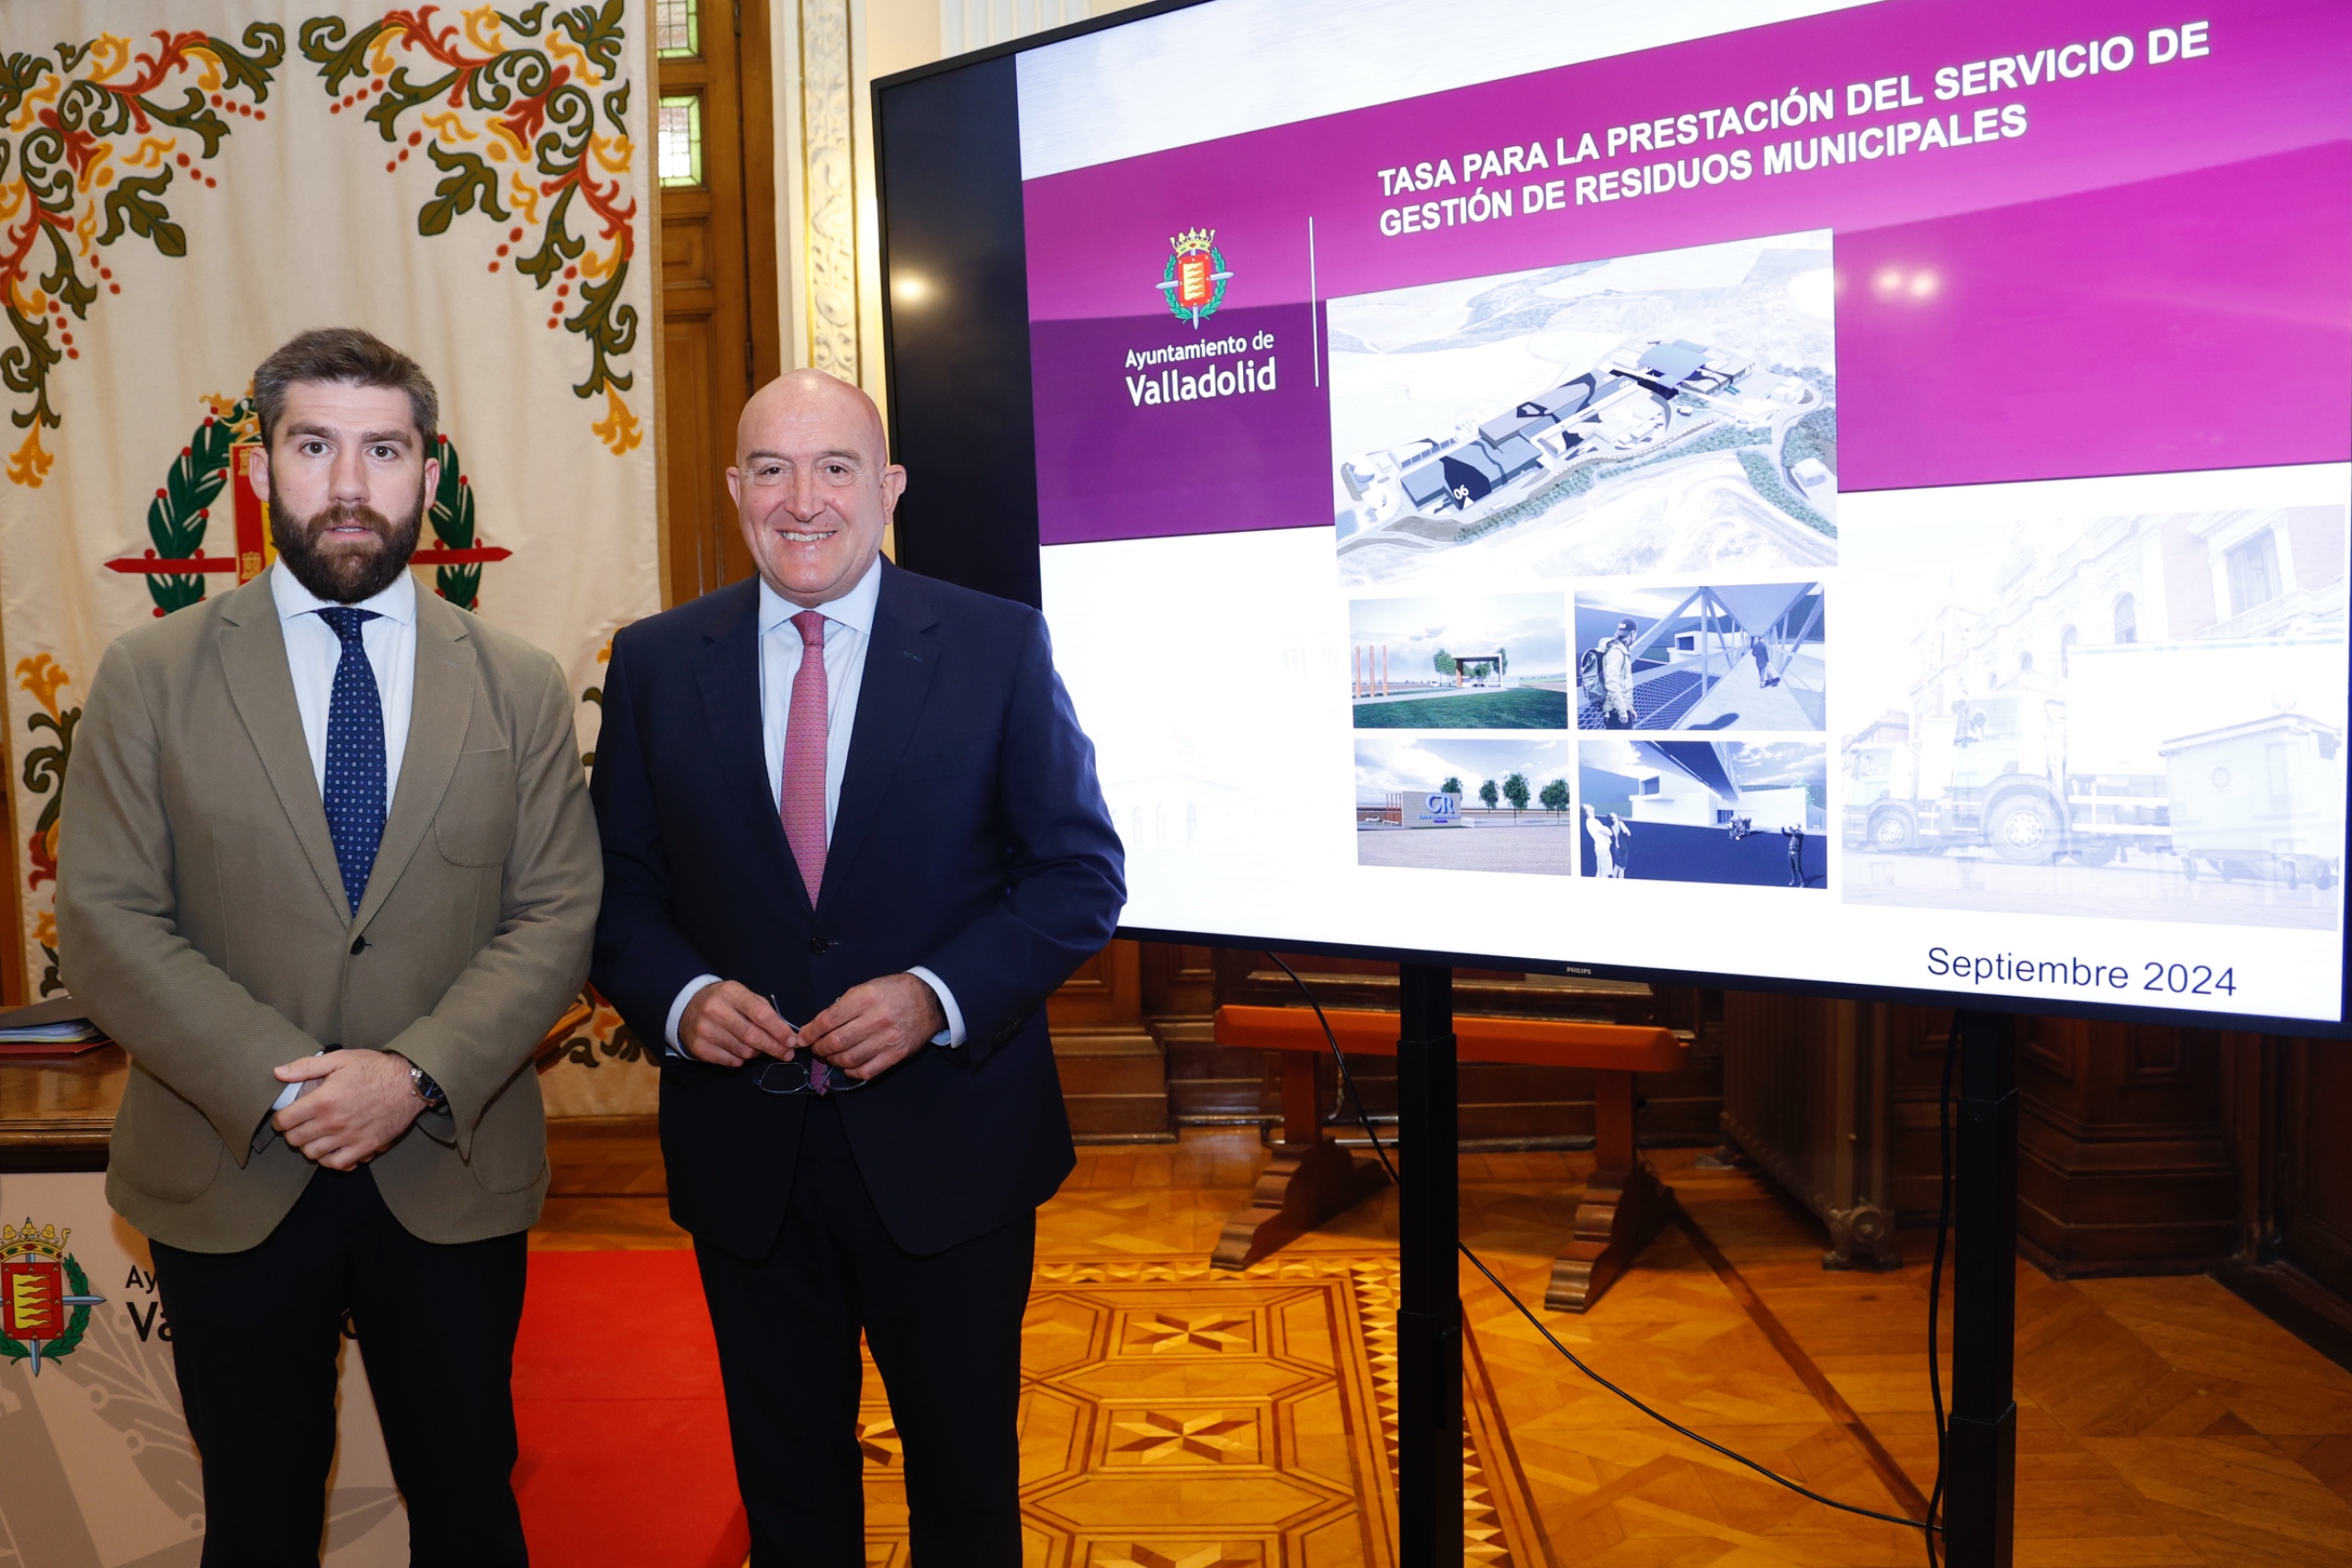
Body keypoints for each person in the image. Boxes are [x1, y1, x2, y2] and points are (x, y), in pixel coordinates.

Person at [55, 327, 600, 1566]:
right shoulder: (149, 675)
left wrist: (408, 1075)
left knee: (470, 1509)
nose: (349, 484)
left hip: (449, 1168)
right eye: (314, 447)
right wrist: (294, 1087)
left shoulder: (517, 683)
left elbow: (558, 914)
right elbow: (106, 920)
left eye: (383, 451)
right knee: (256, 1518)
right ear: (259, 471)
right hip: (229, 1167)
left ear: (428, 474)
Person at [589, 369, 1125, 1568]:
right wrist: (681, 997)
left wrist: (937, 996)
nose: (802, 500)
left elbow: (1078, 874)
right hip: (747, 1158)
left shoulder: (995, 645)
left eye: (834, 468)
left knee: (966, 1498)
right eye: (771, 470)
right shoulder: (657, 663)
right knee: (788, 1505)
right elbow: (614, 885)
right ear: (735, 489)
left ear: (887, 487)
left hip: (952, 1152)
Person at [1600, 617, 1638, 728]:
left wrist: (1629, 709)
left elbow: (1624, 684)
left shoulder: (1621, 650)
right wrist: (1622, 711)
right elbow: (1612, 683)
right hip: (1617, 714)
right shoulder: (1616, 652)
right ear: (1633, 633)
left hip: (1620, 711)